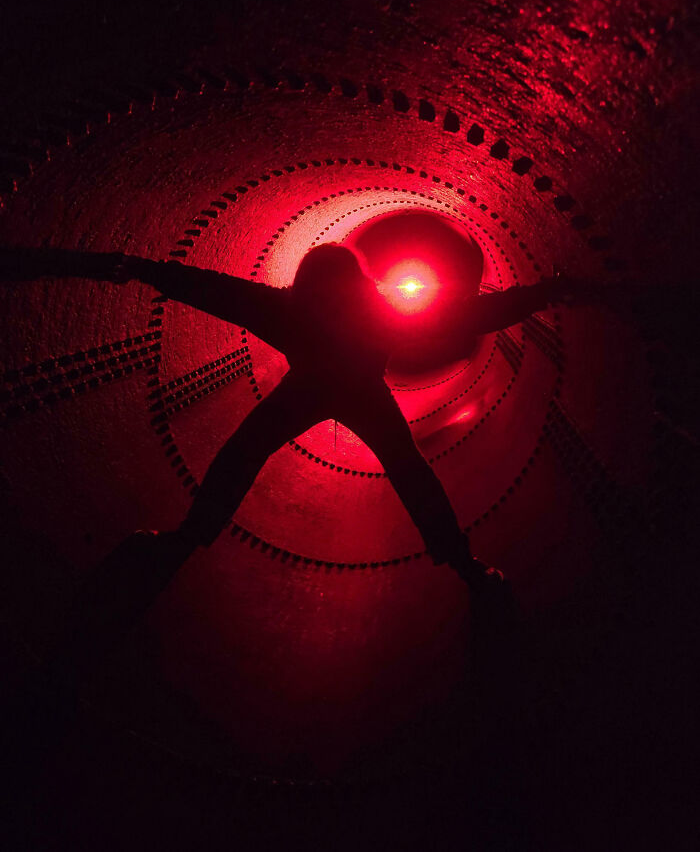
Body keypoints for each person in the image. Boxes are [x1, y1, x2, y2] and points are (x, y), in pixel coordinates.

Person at [2, 243, 581, 682]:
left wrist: (140, 269)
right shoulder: (381, 315)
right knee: (408, 472)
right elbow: (474, 316)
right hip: (360, 392)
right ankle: (466, 567)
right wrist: (544, 294)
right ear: (357, 282)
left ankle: (186, 537)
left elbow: (208, 288)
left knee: (246, 451)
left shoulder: (288, 309)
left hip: (309, 389)